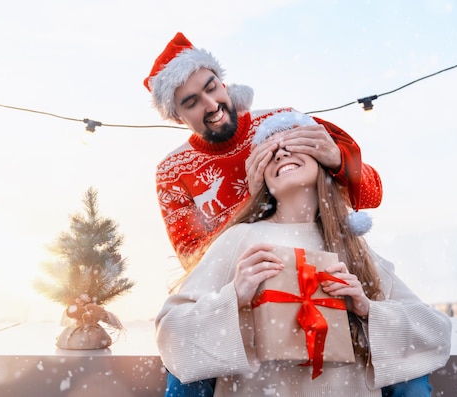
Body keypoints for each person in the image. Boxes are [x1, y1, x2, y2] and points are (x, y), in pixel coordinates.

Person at [144, 32, 436, 396]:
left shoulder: (284, 121)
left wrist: (338, 160)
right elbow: (193, 259)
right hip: (243, 289)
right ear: (178, 116)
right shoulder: (172, 171)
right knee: (184, 368)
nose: (211, 103)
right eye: (191, 102)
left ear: (224, 82)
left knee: (405, 368)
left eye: (212, 87)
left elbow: (372, 194)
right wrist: (254, 213)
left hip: (325, 262)